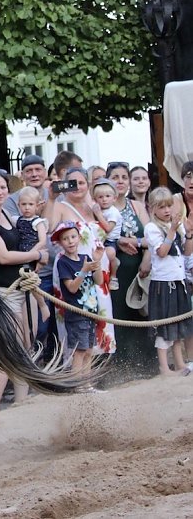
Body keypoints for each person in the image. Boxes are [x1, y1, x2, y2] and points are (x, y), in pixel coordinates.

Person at [0, 170, 48, 414]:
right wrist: (37, 254)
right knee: (8, 353)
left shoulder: (8, 213)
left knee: (26, 348)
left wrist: (40, 246)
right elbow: (2, 257)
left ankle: (21, 404)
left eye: (3, 188)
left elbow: (36, 227)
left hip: (24, 285)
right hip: (3, 290)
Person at [49, 167, 115, 357]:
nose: (77, 187)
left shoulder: (92, 206)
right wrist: (52, 198)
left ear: (88, 184)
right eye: (72, 183)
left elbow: (108, 232)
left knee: (99, 318)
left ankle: (95, 371)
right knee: (76, 323)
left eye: (81, 182)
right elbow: (50, 230)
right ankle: (77, 374)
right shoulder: (60, 206)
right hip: (72, 269)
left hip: (97, 270)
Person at [105, 161, 153, 380]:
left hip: (138, 272)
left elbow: (151, 237)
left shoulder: (137, 206)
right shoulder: (103, 208)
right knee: (118, 317)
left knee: (140, 315)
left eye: (124, 177)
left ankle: (145, 365)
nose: (121, 181)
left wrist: (145, 257)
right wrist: (120, 239)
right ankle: (121, 369)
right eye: (115, 177)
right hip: (115, 274)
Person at [144, 187, 193, 375]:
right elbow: (162, 252)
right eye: (161, 207)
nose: (166, 210)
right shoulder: (152, 227)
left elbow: (187, 252)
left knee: (179, 325)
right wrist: (172, 230)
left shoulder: (176, 224)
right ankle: (164, 367)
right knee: (166, 326)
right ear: (153, 208)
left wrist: (188, 233)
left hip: (179, 280)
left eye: (169, 206)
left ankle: (180, 364)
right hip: (164, 284)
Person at [52, 222, 105, 376]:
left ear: (79, 238)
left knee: (89, 350)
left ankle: (86, 384)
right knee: (79, 351)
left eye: (73, 237)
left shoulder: (85, 258)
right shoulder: (63, 262)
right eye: (65, 238)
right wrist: (83, 270)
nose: (70, 241)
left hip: (90, 312)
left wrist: (97, 262)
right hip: (76, 314)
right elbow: (72, 288)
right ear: (61, 243)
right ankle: (76, 383)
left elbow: (99, 281)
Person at [15, 186, 52, 322]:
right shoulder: (18, 220)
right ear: (19, 205)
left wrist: (32, 254)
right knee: (25, 282)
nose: (27, 208)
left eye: (30, 204)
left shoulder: (38, 222)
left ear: (37, 206)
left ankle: (42, 305)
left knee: (31, 281)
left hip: (32, 253)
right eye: (24, 204)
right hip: (20, 254)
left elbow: (42, 241)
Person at [91, 179, 122, 290]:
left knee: (109, 254)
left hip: (110, 240)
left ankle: (113, 275)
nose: (104, 200)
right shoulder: (100, 209)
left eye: (107, 196)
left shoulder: (113, 212)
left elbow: (108, 228)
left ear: (114, 198)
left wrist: (98, 215)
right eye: (100, 197)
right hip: (100, 239)